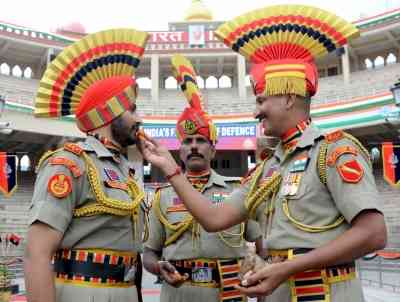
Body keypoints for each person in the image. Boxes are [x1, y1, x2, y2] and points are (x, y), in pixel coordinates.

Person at [140, 5, 387, 302]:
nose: (255, 111)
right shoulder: (266, 169)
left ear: (288, 97)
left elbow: (374, 234)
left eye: (261, 100)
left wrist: (289, 267)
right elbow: (215, 218)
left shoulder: (334, 150)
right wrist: (171, 169)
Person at [24, 28, 150, 302]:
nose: (140, 118)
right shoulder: (69, 164)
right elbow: (37, 253)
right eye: (132, 109)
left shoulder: (124, 171)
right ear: (108, 113)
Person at [143, 54, 262, 302]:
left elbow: (261, 244)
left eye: (201, 141)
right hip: (178, 294)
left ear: (213, 149)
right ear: (180, 150)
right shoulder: (162, 196)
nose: (194, 146)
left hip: (229, 293)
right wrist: (159, 268)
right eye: (188, 141)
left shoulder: (237, 191)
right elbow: (149, 254)